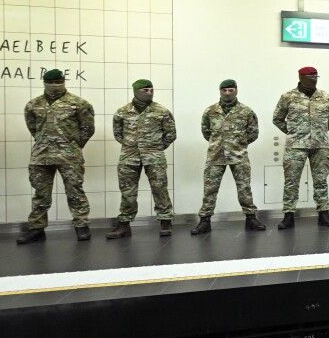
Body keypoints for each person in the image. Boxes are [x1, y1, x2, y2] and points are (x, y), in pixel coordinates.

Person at [19, 69, 95, 243]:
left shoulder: (79, 103)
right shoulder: (33, 104)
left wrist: (74, 145)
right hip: (41, 156)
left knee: (75, 191)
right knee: (40, 193)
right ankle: (37, 229)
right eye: (51, 82)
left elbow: (88, 129)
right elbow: (33, 128)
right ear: (44, 82)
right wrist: (44, 142)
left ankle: (81, 226)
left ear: (64, 82)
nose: (55, 85)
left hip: (69, 156)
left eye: (58, 82)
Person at [105, 80, 177, 238]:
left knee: (160, 189)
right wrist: (131, 147)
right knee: (127, 192)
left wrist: (155, 148)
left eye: (151, 89)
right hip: (129, 157)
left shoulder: (161, 111)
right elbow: (118, 134)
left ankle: (165, 221)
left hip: (154, 157)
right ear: (136, 91)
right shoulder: (122, 112)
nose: (150, 92)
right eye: (145, 90)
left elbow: (171, 134)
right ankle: (124, 224)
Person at [193, 79, 264, 234]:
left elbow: (253, 133)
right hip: (215, 156)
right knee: (210, 189)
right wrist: (219, 143)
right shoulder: (210, 111)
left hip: (238, 155)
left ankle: (251, 218)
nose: (227, 93)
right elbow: (206, 132)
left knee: (244, 188)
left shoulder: (246, 111)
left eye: (230, 90)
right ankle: (205, 221)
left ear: (236, 90)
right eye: (224, 90)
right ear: (220, 91)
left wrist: (238, 144)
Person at [274, 65, 329, 229]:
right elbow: (277, 118)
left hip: (320, 145)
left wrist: (319, 132)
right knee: (291, 182)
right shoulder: (288, 96)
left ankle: (323, 213)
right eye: (310, 77)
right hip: (296, 146)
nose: (313, 80)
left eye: (316, 77)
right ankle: (288, 215)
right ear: (301, 78)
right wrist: (293, 132)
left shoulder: (324, 96)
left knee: (321, 181)